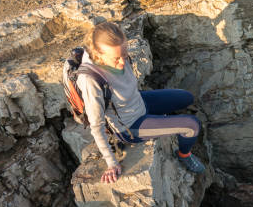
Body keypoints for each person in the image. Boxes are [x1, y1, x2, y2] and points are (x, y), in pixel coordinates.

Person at [77, 21, 205, 184]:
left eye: (124, 54)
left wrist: (120, 57)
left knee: (187, 97)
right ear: (98, 54)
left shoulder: (116, 53)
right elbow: (96, 126)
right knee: (192, 125)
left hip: (139, 102)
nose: (122, 63)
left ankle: (162, 120)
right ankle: (184, 155)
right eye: (116, 59)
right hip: (131, 126)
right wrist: (111, 163)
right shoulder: (91, 80)